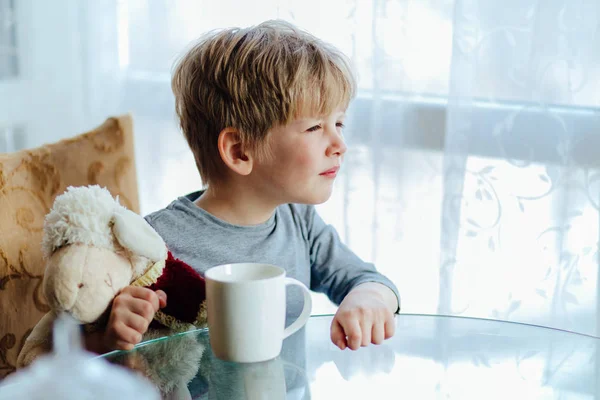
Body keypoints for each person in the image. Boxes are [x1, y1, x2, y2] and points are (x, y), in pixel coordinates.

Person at [86, 19, 401, 355]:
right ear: (239, 151)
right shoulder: (150, 243)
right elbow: (61, 351)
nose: (340, 144)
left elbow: (372, 281)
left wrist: (367, 298)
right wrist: (108, 336)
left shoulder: (300, 223)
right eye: (314, 128)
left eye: (338, 122)